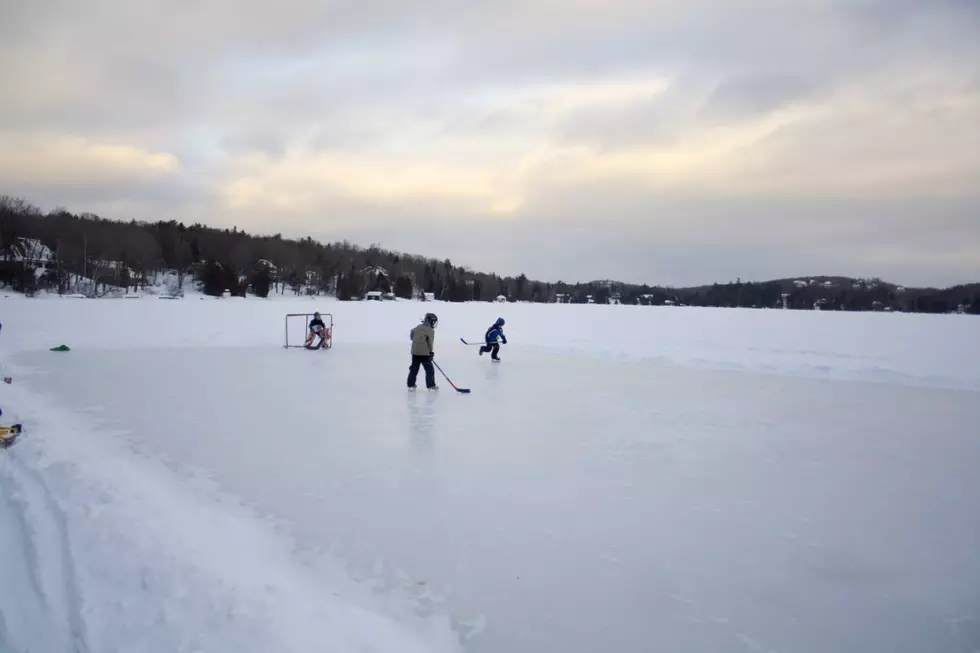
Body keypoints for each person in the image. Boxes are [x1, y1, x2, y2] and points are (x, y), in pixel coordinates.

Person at [408, 313, 438, 389]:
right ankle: (431, 385)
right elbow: (430, 342)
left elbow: (412, 334)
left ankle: (410, 384)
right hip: (424, 354)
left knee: (414, 369)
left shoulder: (418, 327)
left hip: (414, 352)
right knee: (429, 370)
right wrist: (430, 352)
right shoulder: (430, 330)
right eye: (433, 322)